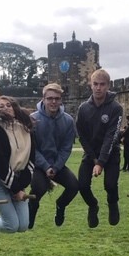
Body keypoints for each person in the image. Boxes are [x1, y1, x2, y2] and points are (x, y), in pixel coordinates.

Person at [76, 68, 123, 228]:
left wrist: (101, 162)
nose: (98, 88)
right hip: (91, 154)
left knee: (110, 185)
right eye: (95, 84)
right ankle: (93, 205)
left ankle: (113, 203)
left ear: (108, 86)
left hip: (111, 153)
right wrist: (94, 159)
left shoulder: (116, 108)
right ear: (91, 85)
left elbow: (111, 136)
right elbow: (81, 135)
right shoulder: (83, 108)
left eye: (102, 84)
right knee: (82, 185)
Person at [28, 83, 79, 229]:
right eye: (50, 98)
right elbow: (32, 148)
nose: (53, 102)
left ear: (61, 100)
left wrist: (55, 167)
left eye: (57, 98)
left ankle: (60, 205)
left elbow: (66, 148)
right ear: (43, 99)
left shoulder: (68, 120)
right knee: (39, 188)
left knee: (74, 186)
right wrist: (45, 166)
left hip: (57, 164)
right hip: (38, 165)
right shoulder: (33, 119)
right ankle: (31, 212)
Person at [0, 95, 35, 234]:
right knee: (11, 226)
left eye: (8, 105)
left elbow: (31, 158)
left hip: (19, 180)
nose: (6, 108)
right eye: (1, 106)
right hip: (0, 182)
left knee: (23, 226)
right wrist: (16, 190)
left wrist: (22, 185)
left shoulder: (26, 128)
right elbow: (0, 166)